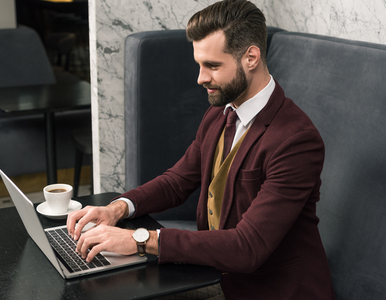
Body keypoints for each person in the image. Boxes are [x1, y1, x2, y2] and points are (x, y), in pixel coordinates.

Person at [67, 0, 335, 299]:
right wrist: (116, 208)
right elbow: (177, 182)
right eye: (199, 64)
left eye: (213, 66)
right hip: (217, 278)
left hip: (275, 291)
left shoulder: (296, 141)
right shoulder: (220, 114)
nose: (201, 78)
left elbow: (247, 247)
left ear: (251, 57)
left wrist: (141, 240)